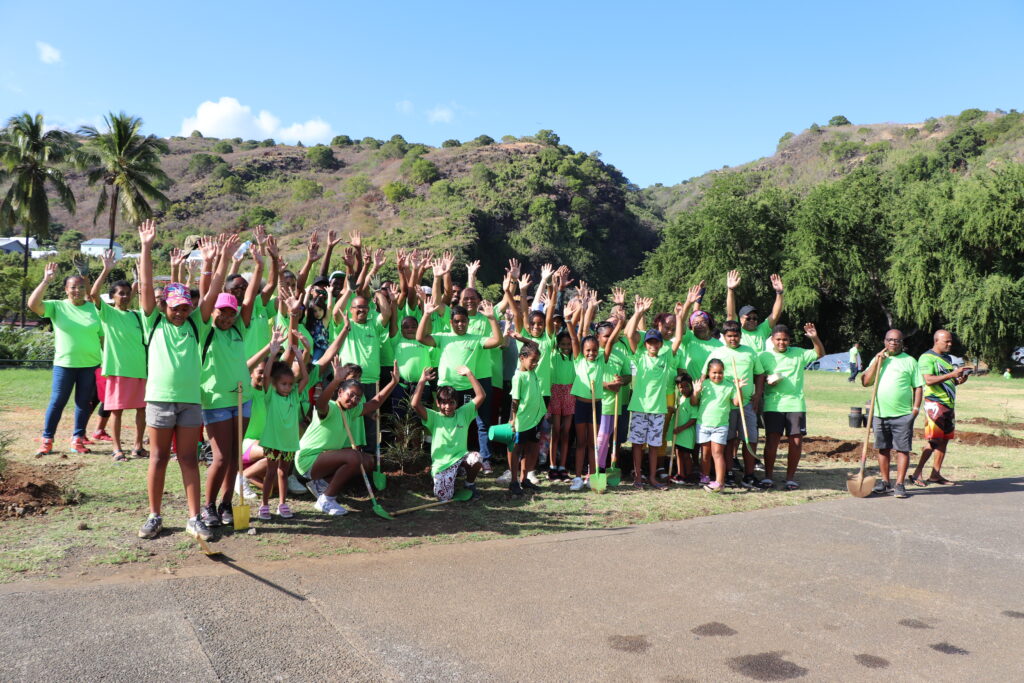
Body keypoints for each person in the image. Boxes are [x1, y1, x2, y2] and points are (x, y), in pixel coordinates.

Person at [136, 222, 227, 542]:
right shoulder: (153, 322)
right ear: (165, 307)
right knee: (159, 458)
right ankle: (154, 515)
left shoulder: (197, 326)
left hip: (190, 400)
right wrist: (146, 247)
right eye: (175, 308)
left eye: (185, 307)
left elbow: (213, 291)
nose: (180, 312)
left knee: (188, 458)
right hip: (159, 399)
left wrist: (220, 262)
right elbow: (146, 285)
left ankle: (193, 517)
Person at [197, 239, 265, 528]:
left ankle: (227, 504)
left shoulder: (239, 326)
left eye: (230, 312)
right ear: (213, 311)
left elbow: (248, 298)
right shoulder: (204, 328)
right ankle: (208, 506)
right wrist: (218, 260)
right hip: (215, 401)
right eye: (221, 311)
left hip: (242, 398)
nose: (226, 317)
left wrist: (260, 264)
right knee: (221, 457)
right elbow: (206, 293)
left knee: (235, 457)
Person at [29, 262, 102, 456]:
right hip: (64, 365)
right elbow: (33, 305)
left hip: (90, 365)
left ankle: (77, 439)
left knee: (83, 403)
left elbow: (102, 337)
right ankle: (47, 440)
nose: (77, 290)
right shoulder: (57, 306)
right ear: (66, 290)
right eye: (72, 287)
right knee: (57, 402)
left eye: (80, 287)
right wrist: (46, 280)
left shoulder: (95, 309)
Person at [88, 250, 148, 461]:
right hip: (118, 370)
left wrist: (141, 276)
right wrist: (106, 269)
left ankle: (138, 447)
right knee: (117, 411)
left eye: (127, 292)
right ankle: (117, 449)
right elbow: (93, 294)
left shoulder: (137, 316)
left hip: (140, 369)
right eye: (120, 293)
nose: (124, 296)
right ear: (112, 296)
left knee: (142, 409)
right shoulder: (108, 313)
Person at [564, 294, 621, 491]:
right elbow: (573, 337)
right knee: (581, 442)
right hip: (580, 406)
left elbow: (611, 341)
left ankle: (592, 475)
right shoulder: (578, 359)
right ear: (583, 351)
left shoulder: (601, 360)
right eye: (588, 350)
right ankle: (578, 477)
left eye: (594, 350)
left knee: (592, 444)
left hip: (596, 405)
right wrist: (568, 320)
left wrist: (620, 322)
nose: (591, 353)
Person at [758, 323, 825, 490]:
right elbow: (757, 377)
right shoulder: (763, 356)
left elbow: (820, 353)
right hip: (773, 404)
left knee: (795, 441)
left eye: (785, 340)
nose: (782, 343)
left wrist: (814, 338)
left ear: (790, 340)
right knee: (772, 441)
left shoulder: (798, 353)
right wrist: (767, 380)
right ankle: (768, 477)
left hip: (795, 403)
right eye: (778, 339)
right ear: (772, 339)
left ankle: (790, 478)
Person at [624, 297, 681, 490]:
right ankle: (638, 477)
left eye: (656, 342)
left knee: (655, 445)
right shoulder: (639, 356)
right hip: (639, 407)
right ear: (645, 344)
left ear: (660, 344)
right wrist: (639, 312)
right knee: (638, 444)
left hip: (658, 409)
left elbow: (678, 338)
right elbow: (629, 333)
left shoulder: (666, 357)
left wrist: (680, 316)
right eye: (649, 342)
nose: (653, 345)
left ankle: (652, 478)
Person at [860, 329, 923, 499]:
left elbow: (918, 387)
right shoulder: (879, 359)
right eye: (890, 340)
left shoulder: (910, 361)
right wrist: (877, 361)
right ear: (884, 341)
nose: (893, 343)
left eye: (897, 340)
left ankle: (900, 484)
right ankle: (885, 482)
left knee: (902, 450)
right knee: (883, 449)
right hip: (880, 413)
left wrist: (915, 409)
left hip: (902, 414)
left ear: (902, 343)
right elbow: (865, 382)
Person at [702, 320, 765, 488]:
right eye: (729, 336)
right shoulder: (718, 353)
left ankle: (749, 475)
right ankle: (728, 474)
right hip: (726, 405)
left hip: (747, 404)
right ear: (724, 337)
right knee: (728, 440)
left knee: (750, 439)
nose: (733, 339)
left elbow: (760, 374)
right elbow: (705, 375)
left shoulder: (750, 352)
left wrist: (757, 395)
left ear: (740, 336)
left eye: (736, 336)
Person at [256, 327, 309, 519]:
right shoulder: (270, 395)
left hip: (288, 443)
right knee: (270, 473)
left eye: (290, 384)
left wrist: (301, 359)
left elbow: (306, 378)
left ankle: (282, 504)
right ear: (275, 384)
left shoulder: (294, 396)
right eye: (283, 384)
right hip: (272, 442)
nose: (287, 387)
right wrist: (272, 354)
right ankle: (264, 505)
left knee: (283, 473)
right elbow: (267, 376)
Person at [411, 365, 485, 502]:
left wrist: (469, 374)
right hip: (442, 464)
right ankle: (450, 478)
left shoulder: (464, 413)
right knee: (444, 498)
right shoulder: (433, 417)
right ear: (437, 404)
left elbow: (481, 395)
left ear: (456, 403)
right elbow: (415, 404)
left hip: (461, 457)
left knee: (476, 457)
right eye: (443, 403)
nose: (448, 407)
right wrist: (422, 381)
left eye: (451, 403)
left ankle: (469, 484)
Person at [910, 329, 969, 487]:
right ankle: (917, 473)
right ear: (936, 341)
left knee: (944, 441)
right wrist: (952, 374)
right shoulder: (926, 358)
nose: (950, 344)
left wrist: (959, 379)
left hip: (948, 404)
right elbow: (928, 380)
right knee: (933, 440)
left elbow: (947, 381)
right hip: (934, 404)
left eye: (951, 341)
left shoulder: (947, 358)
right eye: (946, 341)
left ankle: (935, 475)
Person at [692, 359, 740, 493]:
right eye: (714, 373)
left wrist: (739, 389)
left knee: (717, 454)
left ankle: (720, 482)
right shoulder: (704, 384)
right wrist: (696, 392)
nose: (717, 375)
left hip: (720, 425)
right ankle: (705, 476)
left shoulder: (729, 385)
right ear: (708, 372)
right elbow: (694, 402)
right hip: (703, 424)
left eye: (720, 373)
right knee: (705, 454)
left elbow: (736, 403)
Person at [508, 342, 544, 495]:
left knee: (529, 449)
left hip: (534, 420)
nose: (535, 364)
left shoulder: (532, 373)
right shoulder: (518, 377)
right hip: (522, 421)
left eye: (537, 361)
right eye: (532, 361)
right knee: (516, 450)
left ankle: (524, 479)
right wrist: (513, 420)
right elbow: (515, 401)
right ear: (522, 358)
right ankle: (513, 481)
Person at [726, 270, 784, 351]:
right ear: (741, 319)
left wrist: (779, 292)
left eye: (755, 318)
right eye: (748, 318)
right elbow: (730, 314)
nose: (752, 320)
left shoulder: (762, 330)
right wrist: (730, 289)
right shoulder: (737, 331)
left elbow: (775, 315)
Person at [669, 372, 697, 485]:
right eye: (680, 387)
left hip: (686, 434)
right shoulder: (680, 398)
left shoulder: (692, 400)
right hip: (678, 433)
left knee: (686, 455)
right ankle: (681, 474)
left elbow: (693, 419)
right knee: (678, 453)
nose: (683, 389)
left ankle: (689, 476)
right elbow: (681, 412)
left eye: (686, 386)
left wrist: (681, 428)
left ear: (691, 386)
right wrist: (673, 410)